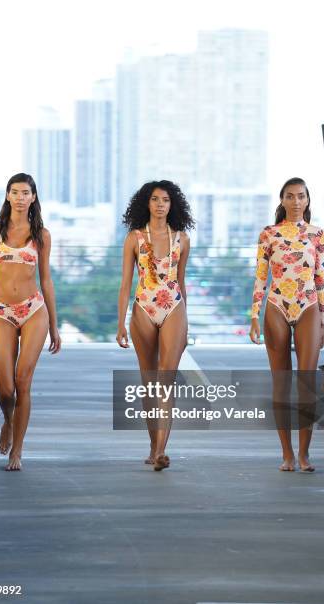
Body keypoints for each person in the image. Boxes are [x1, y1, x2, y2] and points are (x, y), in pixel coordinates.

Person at [0, 173, 61, 471]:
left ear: (33, 198)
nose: (21, 197)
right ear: (8, 196)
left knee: (23, 383)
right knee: (5, 390)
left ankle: (18, 450)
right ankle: (7, 424)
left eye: (26, 193)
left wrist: (54, 325)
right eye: (15, 192)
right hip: (1, 313)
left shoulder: (41, 235)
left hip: (34, 310)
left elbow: (46, 281)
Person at [249, 177, 324, 472]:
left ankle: (305, 454)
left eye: (301, 196)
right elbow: (260, 276)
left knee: (306, 382)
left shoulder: (318, 234)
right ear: (282, 200)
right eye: (291, 196)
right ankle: (287, 454)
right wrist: (254, 314)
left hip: (308, 306)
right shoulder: (268, 234)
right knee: (281, 383)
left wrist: (323, 317)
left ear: (308, 200)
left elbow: (319, 278)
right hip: (276, 306)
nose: (296, 201)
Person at [117, 180, 194, 471]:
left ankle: (162, 450)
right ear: (146, 204)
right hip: (142, 308)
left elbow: (182, 281)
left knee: (166, 380)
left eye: (165, 200)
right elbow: (125, 284)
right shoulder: (134, 238)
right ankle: (153, 445)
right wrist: (121, 322)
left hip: (174, 306)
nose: (160, 204)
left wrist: (186, 321)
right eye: (155, 199)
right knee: (149, 383)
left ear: (172, 205)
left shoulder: (182, 239)